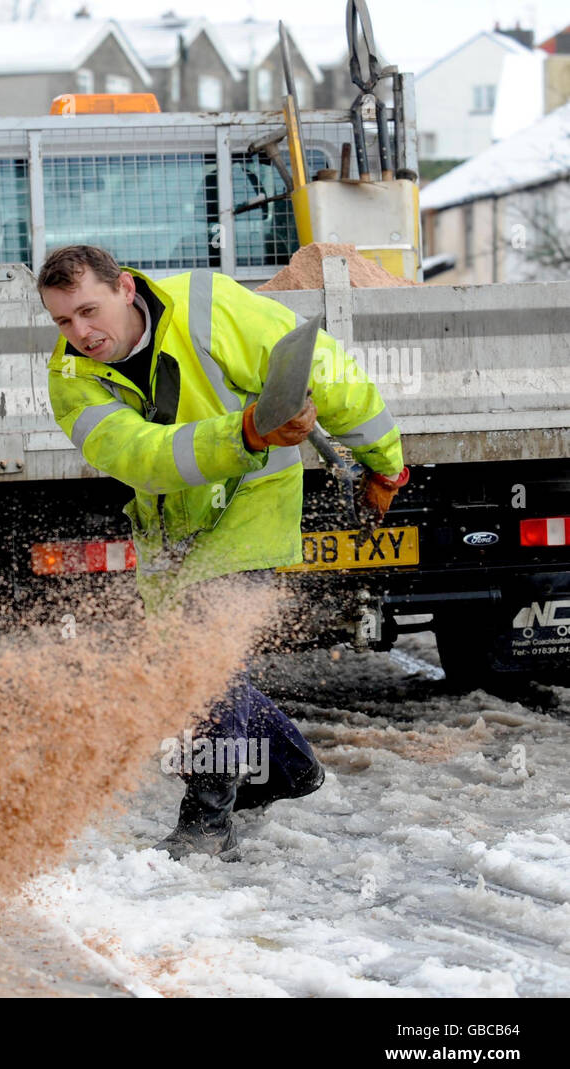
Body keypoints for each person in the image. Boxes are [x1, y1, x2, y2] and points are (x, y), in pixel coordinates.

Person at [37, 244, 408, 861]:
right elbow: (144, 460)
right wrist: (246, 430)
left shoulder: (206, 307)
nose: (81, 333)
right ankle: (291, 772)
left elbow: (325, 372)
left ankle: (207, 822)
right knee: (186, 673)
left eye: (88, 311)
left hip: (251, 506)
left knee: (205, 666)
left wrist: (385, 465)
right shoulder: (69, 379)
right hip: (169, 525)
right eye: (63, 322)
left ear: (126, 288)